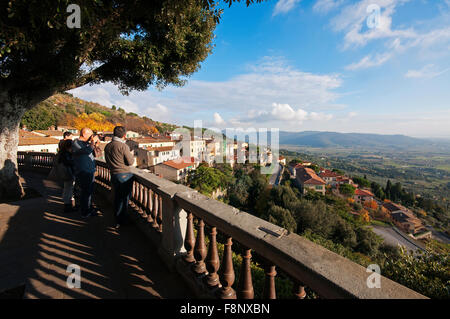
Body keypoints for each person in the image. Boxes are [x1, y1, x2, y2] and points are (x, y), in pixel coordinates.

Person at [104, 126, 135, 229]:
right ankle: (122, 221)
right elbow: (130, 162)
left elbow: (108, 162)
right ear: (124, 135)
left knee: (117, 198)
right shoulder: (123, 146)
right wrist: (131, 154)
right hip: (124, 175)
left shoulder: (107, 146)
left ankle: (117, 219)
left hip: (114, 174)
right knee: (124, 199)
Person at [72, 127, 99, 218]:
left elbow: (96, 154)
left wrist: (95, 144)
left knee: (89, 192)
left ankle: (88, 208)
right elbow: (87, 151)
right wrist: (92, 142)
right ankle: (85, 212)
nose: (92, 137)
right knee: (85, 192)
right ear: (84, 134)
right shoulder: (76, 143)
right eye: (90, 135)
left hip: (89, 171)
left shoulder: (86, 143)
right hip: (83, 171)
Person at [59, 139, 75, 213]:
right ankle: (67, 205)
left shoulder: (62, 153)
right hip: (68, 174)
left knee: (67, 189)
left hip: (65, 174)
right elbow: (69, 163)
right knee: (68, 189)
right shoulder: (66, 154)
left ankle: (67, 204)